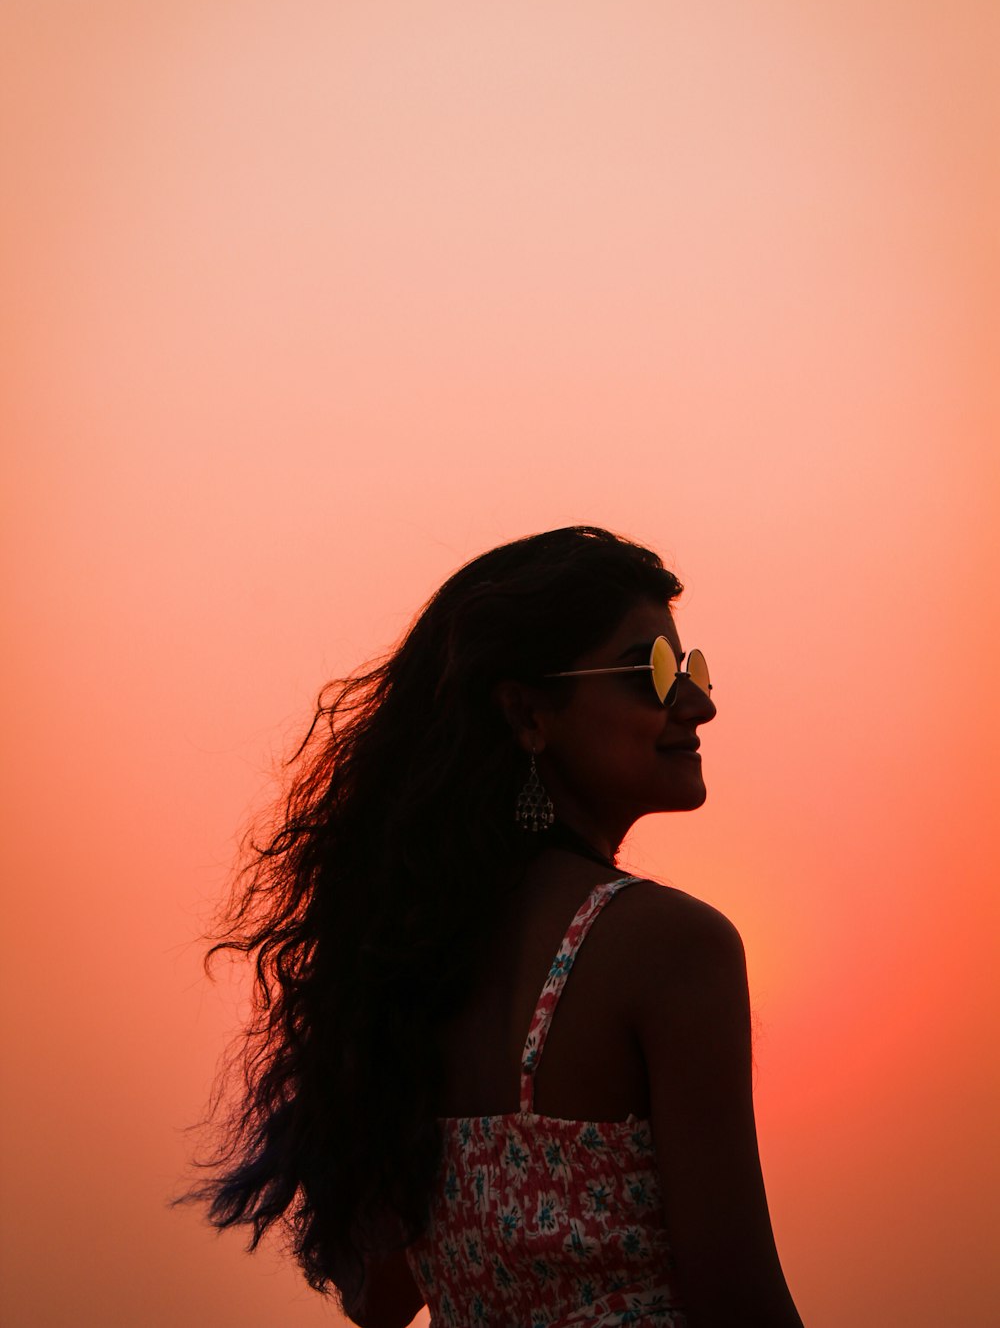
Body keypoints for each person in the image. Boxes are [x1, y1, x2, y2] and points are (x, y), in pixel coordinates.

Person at [184, 526, 804, 1327]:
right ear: (527, 714)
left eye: (690, 669)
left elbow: (377, 1295)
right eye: (651, 672)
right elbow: (739, 1304)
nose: (699, 702)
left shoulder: (419, 970)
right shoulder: (672, 949)